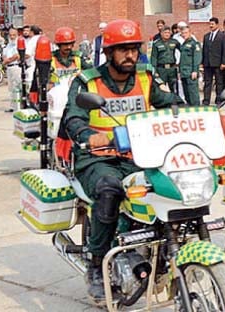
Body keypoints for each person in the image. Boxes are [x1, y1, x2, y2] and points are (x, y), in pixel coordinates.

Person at [61, 20, 181, 301]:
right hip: (97, 159)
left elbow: (168, 100)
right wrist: (89, 136)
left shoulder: (146, 77)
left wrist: (188, 113)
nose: (130, 55)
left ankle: (164, 251)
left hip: (139, 155)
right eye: (123, 50)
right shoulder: (87, 81)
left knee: (174, 184)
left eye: (134, 49)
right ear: (108, 52)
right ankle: (95, 262)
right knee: (110, 189)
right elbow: (73, 118)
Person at [202, 17, 225, 105]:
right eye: (210, 24)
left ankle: (219, 100)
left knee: (219, 82)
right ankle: (206, 100)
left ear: (217, 24)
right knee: (207, 82)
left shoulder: (222, 36)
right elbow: (204, 50)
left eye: (212, 24)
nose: (211, 26)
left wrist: (224, 62)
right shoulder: (206, 36)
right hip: (208, 64)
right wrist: (203, 62)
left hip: (218, 63)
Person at [150, 25, 180, 94]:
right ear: (161, 33)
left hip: (172, 69)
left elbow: (183, 51)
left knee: (174, 88)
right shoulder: (156, 44)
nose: (167, 34)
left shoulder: (174, 42)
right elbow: (153, 58)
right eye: (165, 32)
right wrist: (154, 71)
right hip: (161, 69)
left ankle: (175, 102)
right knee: (161, 88)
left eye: (168, 33)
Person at [178, 23, 201, 105]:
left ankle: (197, 109)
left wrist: (195, 70)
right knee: (187, 94)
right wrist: (180, 72)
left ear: (190, 32)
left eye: (186, 33)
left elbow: (197, 58)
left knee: (193, 94)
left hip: (191, 73)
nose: (184, 35)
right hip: (184, 73)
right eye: (182, 33)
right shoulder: (183, 44)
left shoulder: (194, 44)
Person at [3, 27, 22, 113]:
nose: (12, 37)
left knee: (17, 87)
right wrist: (5, 59)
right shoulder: (9, 45)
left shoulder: (19, 43)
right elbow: (4, 54)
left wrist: (8, 60)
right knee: (11, 88)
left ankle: (19, 106)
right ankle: (13, 106)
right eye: (10, 35)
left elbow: (17, 55)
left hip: (16, 66)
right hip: (9, 67)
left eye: (14, 35)